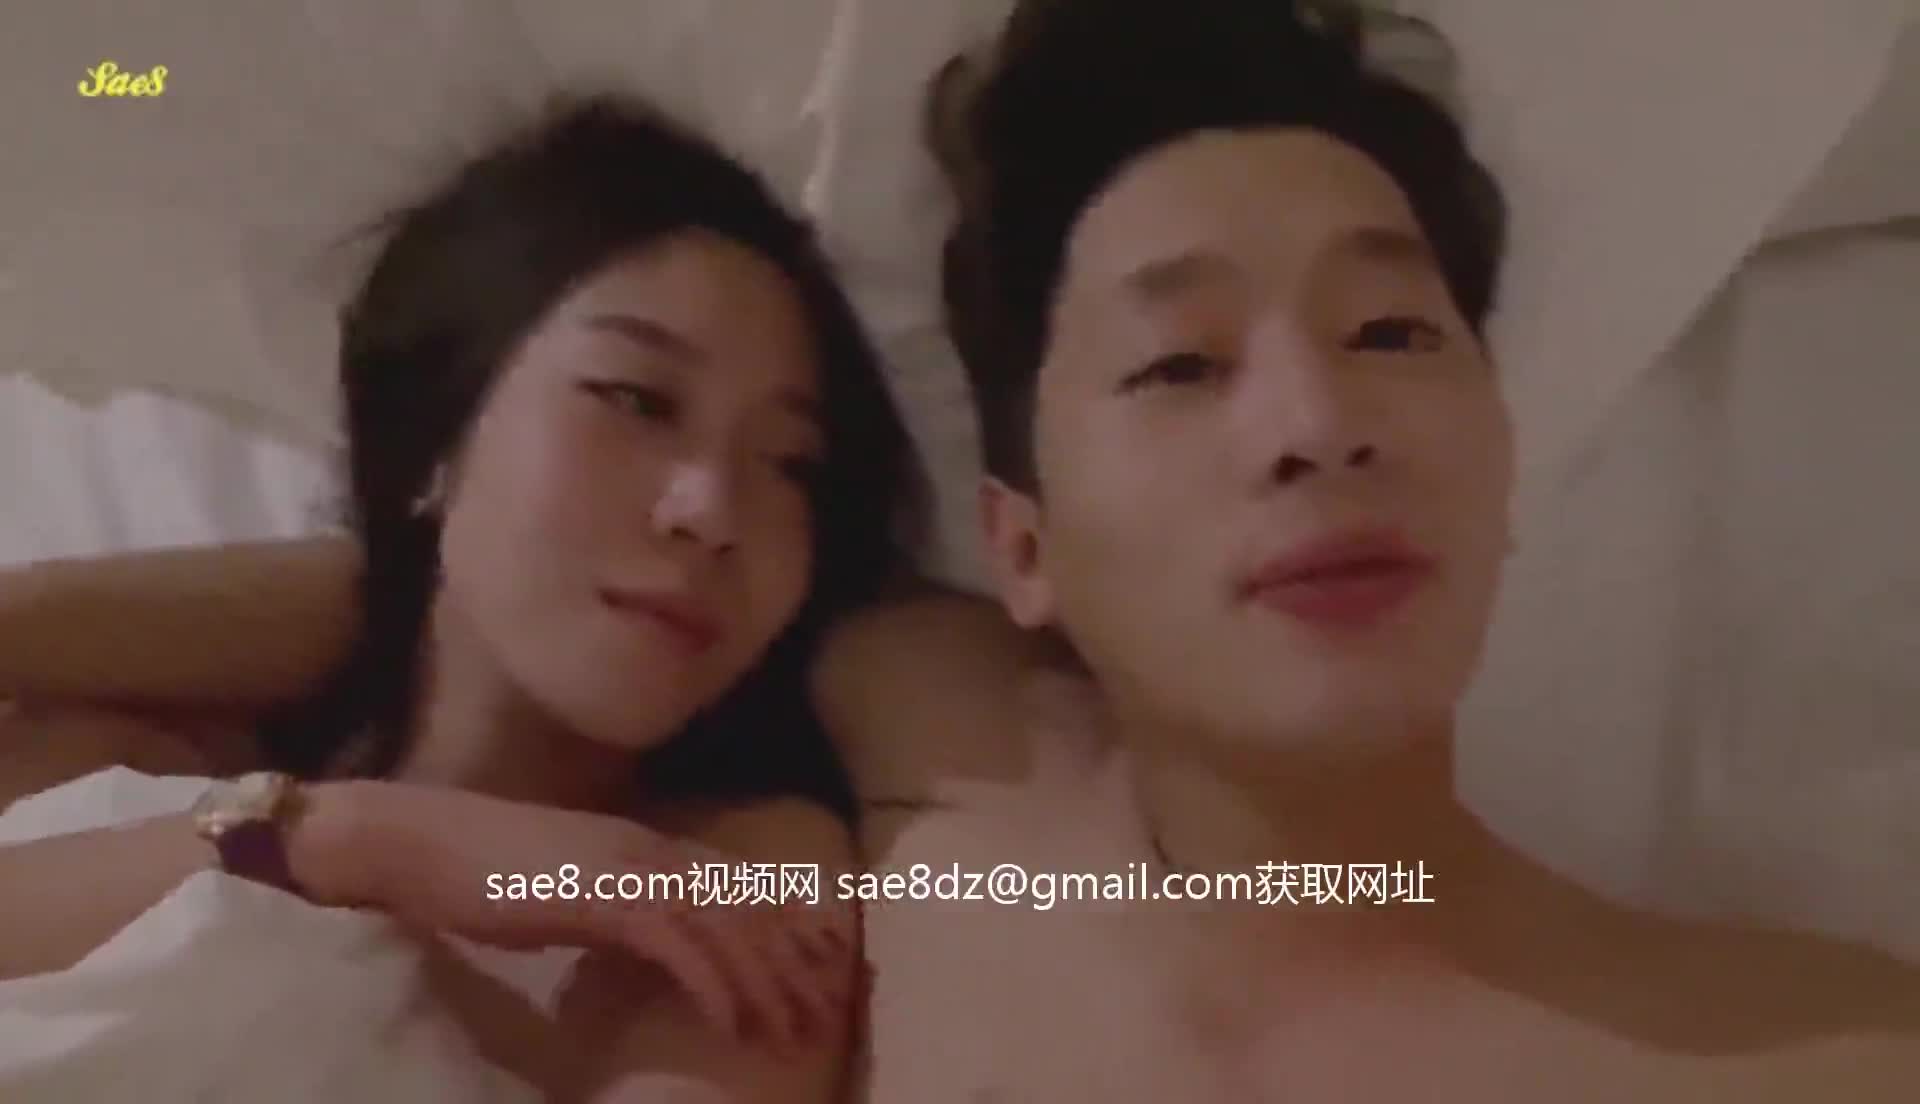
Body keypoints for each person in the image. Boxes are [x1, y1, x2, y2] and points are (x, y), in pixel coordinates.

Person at [6, 1, 1920, 1099]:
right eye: (1178, 360)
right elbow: (524, 593)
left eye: (1395, 331)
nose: (1311, 420)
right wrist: (337, 819)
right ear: (1021, 543)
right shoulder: (954, 772)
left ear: (1504, 456)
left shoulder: (1818, 1049)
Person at [0, 91, 930, 1103]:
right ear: (434, 438)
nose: (711, 510)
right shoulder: (124, 764)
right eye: (636, 399)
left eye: (791, 464)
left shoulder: (744, 879)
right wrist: (356, 842)